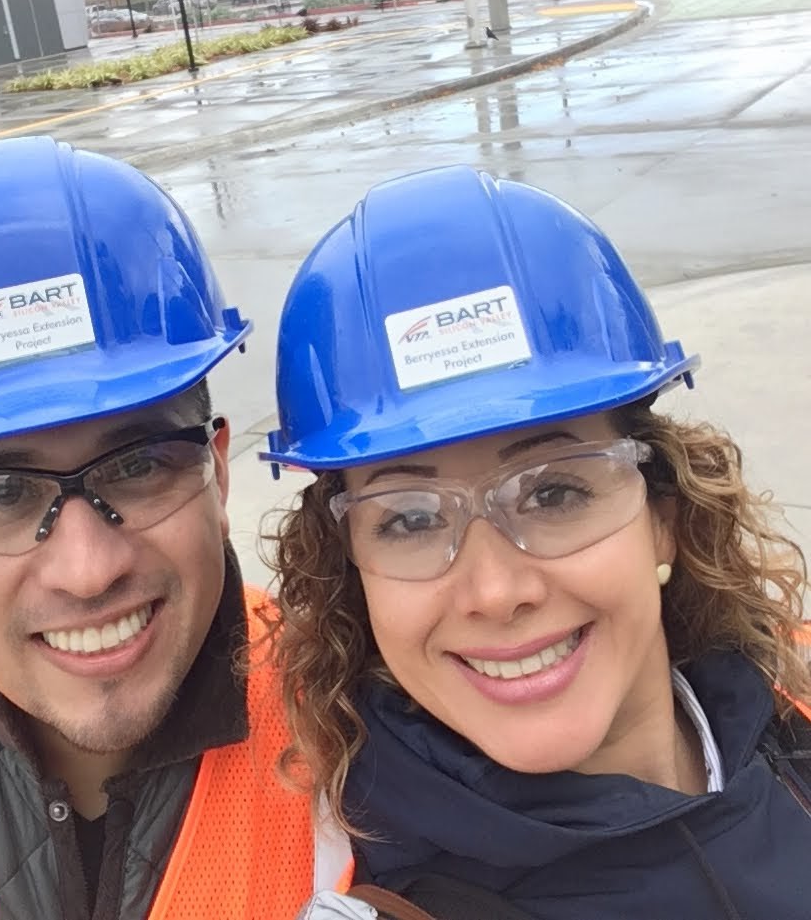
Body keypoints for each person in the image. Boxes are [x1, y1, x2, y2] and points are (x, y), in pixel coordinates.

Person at [261, 166, 811, 920]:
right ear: (354, 575)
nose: (496, 590)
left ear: (665, 517)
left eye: (553, 492)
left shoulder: (786, 726)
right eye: (412, 519)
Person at [0, 136, 344, 920]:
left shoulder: (353, 732)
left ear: (218, 472)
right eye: (2, 492)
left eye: (139, 464)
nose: (87, 569)